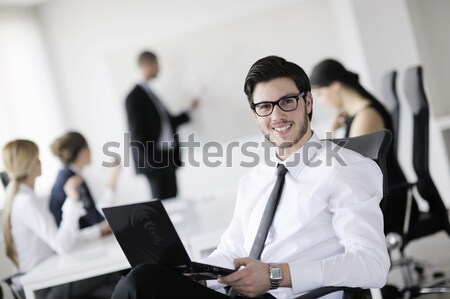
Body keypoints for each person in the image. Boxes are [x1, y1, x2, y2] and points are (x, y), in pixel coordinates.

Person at [111, 56, 390, 299]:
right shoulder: (256, 178)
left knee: (142, 282)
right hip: (240, 294)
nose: (277, 115)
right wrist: (198, 274)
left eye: (287, 101)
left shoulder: (344, 169)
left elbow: (372, 265)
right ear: (256, 115)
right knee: (144, 276)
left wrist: (275, 275)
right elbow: (232, 248)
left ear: (307, 102)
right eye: (265, 107)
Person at [309, 58, 419, 235]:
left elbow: (345, 169)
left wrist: (329, 132)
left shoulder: (367, 116)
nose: (320, 101)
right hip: (379, 198)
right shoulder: (360, 113)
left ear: (336, 86)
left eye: (320, 93)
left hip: (388, 205)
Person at [2, 139, 117, 299]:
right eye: (37, 158)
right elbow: (61, 245)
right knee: (111, 274)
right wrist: (72, 200)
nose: (40, 162)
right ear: (29, 164)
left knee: (109, 287)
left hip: (47, 277)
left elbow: (58, 242)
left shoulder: (25, 198)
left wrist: (97, 232)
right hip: (42, 287)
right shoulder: (25, 202)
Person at [125, 50, 199, 200]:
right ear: (149, 65)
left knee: (173, 201)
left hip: (167, 157)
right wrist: (152, 163)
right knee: (164, 207)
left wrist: (188, 110)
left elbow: (168, 123)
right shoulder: (134, 97)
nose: (159, 69)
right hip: (155, 162)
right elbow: (137, 134)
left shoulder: (150, 93)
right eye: (157, 65)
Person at [50, 131, 120, 238]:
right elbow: (98, 220)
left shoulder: (66, 175)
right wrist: (113, 176)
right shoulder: (73, 180)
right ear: (85, 151)